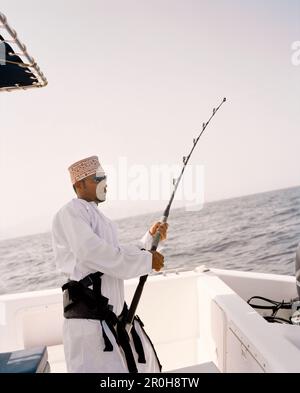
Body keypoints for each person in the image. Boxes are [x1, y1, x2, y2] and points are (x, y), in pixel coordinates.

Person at [52, 155, 168, 373]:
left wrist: (149, 241)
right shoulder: (71, 212)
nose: (104, 183)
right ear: (79, 184)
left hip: (108, 322)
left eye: (104, 177)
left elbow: (115, 253)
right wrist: (146, 260)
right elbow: (94, 253)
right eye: (98, 178)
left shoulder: (97, 217)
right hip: (90, 326)